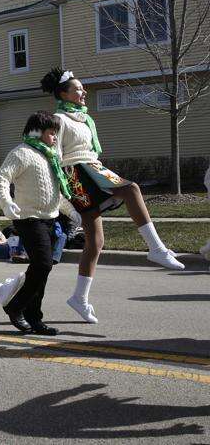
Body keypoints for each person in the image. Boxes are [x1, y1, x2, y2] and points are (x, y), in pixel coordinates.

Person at [41, 67, 184, 325]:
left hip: (92, 168)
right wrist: (63, 192)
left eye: (83, 88)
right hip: (75, 176)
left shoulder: (84, 119)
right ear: (63, 93)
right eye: (77, 89)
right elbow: (54, 156)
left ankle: (79, 299)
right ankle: (156, 249)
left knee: (96, 242)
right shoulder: (58, 120)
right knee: (130, 191)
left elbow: (91, 152)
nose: (83, 92)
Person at [0, 111, 82, 335]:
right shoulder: (21, 153)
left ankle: (34, 318)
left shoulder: (49, 156)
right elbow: (1, 179)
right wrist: (7, 204)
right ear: (36, 131)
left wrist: (72, 213)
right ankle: (16, 306)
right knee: (42, 265)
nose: (55, 138)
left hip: (50, 219)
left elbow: (55, 194)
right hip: (29, 219)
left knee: (42, 270)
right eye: (51, 133)